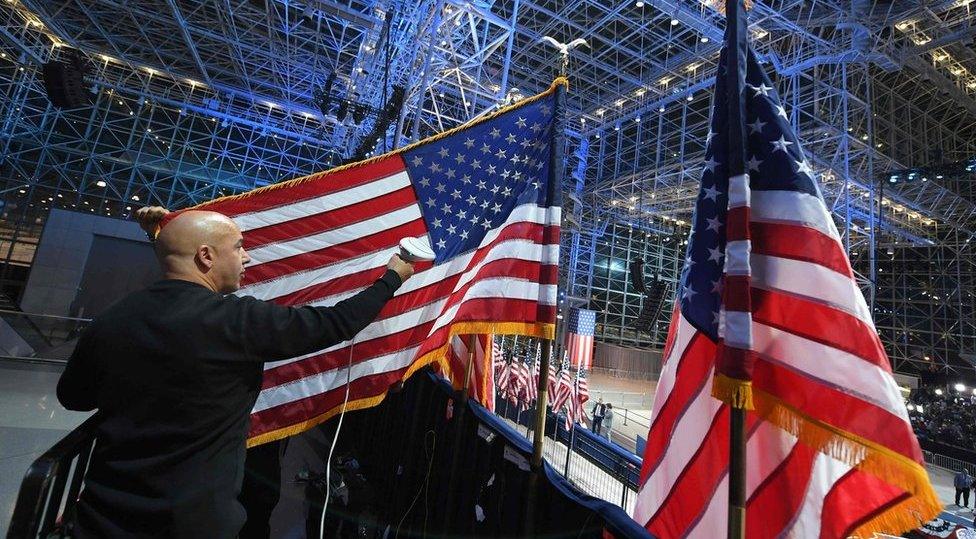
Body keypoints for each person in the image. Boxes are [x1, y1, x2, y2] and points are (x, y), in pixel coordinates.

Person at [57, 207, 415, 538]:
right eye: (239, 247)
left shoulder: (112, 320)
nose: (246, 257)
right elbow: (335, 323)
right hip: (193, 524)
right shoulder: (239, 322)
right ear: (206, 256)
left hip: (102, 517)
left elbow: (73, 397)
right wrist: (392, 278)